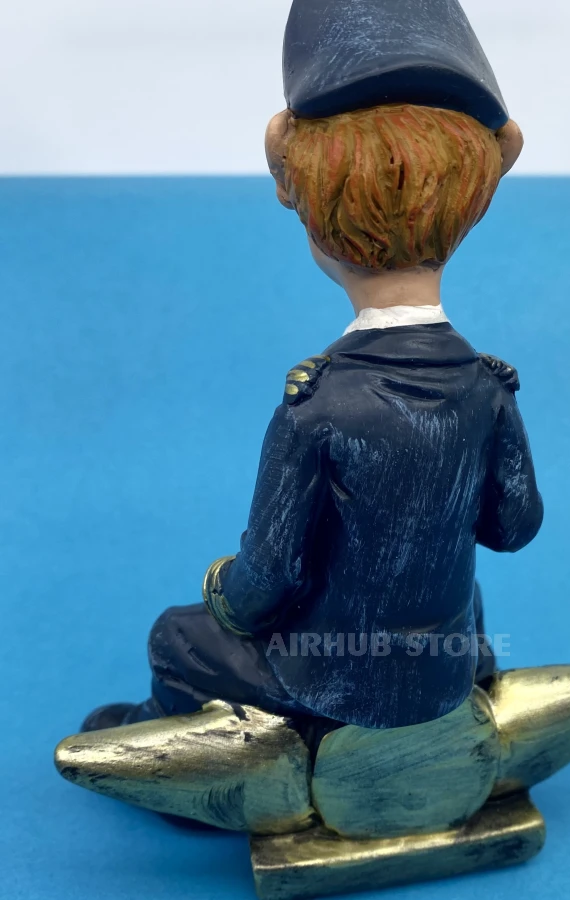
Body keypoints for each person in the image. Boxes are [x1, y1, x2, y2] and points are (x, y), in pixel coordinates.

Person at [82, 0, 543, 733]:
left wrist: (222, 591)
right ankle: (463, 704)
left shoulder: (318, 406)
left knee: (174, 636)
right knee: (461, 598)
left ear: (293, 188)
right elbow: (512, 528)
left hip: (332, 678)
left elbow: (267, 581)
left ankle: (197, 753)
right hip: (445, 665)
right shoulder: (488, 389)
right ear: (482, 190)